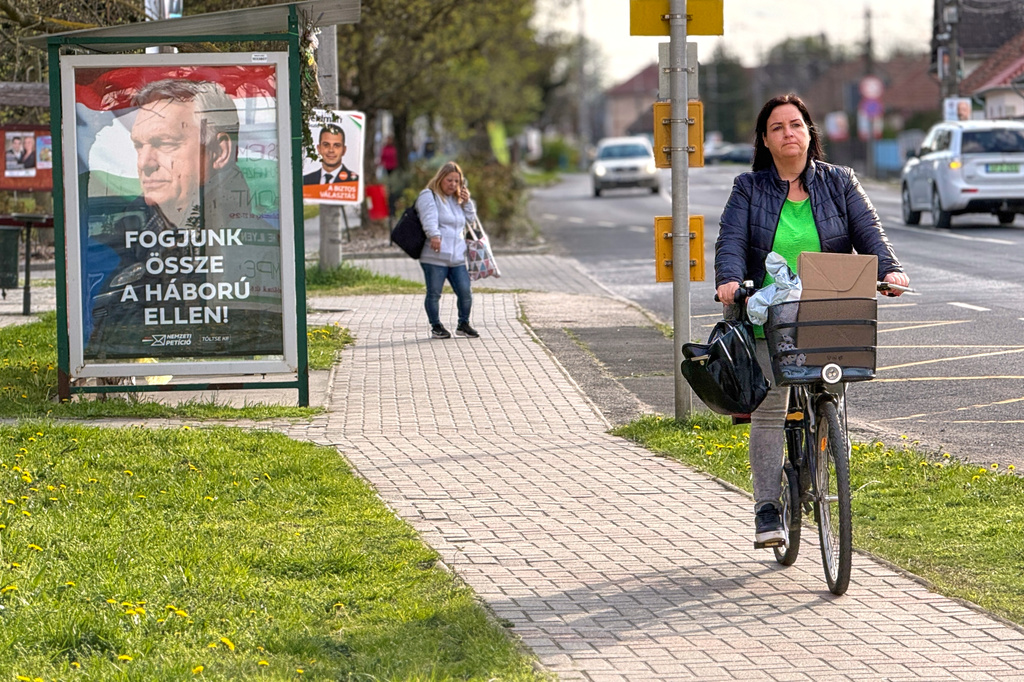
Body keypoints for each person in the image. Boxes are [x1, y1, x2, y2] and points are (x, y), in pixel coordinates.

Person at [715, 93, 910, 548]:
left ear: (810, 133)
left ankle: (825, 461)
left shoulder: (840, 182)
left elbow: (870, 232)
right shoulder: (749, 188)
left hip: (829, 312)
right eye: (778, 127)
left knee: (832, 396)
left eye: (796, 125)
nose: (789, 133)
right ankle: (767, 507)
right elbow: (730, 241)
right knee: (770, 411)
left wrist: (889, 269)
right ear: (765, 139)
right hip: (771, 316)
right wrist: (729, 280)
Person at [85, 78, 282, 359]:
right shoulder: (121, 238)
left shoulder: (253, 244)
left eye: (164, 143)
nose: (145, 163)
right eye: (139, 146)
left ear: (220, 152)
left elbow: (250, 336)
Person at [415, 161, 479, 339]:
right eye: (449, 180)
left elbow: (471, 220)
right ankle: (436, 326)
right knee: (434, 293)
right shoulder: (429, 195)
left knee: (465, 292)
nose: (453, 184)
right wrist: (434, 235)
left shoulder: (457, 199)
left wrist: (467, 203)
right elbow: (429, 218)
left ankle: (463, 324)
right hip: (435, 255)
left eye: (457, 181)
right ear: (440, 179)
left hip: (457, 255)